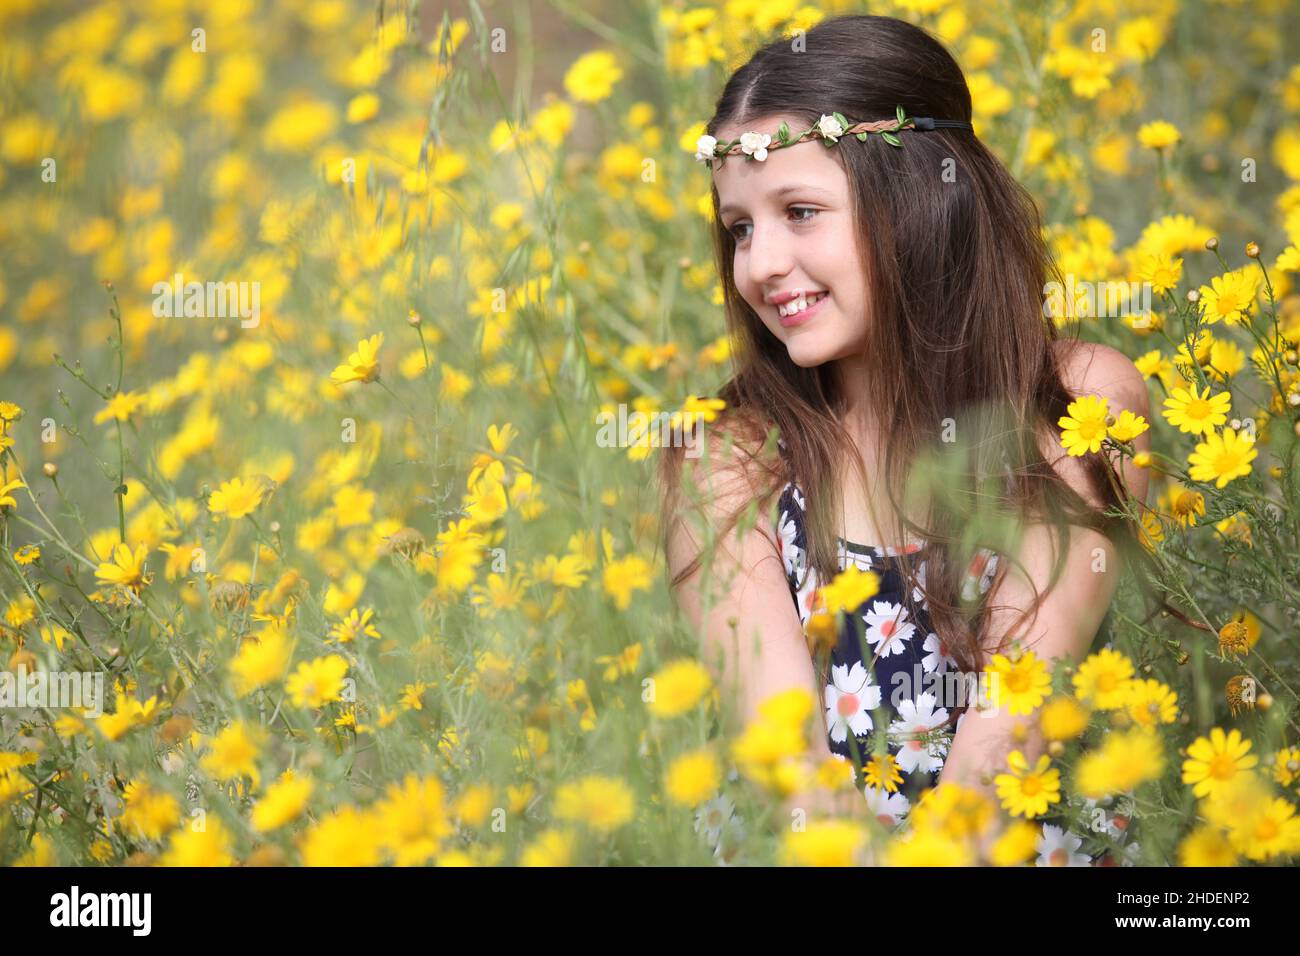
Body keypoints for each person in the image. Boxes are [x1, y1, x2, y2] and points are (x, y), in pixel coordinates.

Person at [657, 14, 1156, 837]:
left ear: (923, 201)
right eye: (739, 227)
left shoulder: (1077, 406)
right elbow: (796, 775)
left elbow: (1007, 739)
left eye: (801, 211)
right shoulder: (729, 456)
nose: (760, 263)